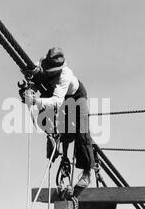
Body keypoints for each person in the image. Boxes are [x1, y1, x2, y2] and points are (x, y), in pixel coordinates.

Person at [22, 47, 95, 188]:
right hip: (54, 92)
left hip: (75, 96)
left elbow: (57, 102)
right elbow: (34, 77)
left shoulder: (65, 75)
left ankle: (86, 174)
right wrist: (30, 90)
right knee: (46, 117)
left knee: (82, 132)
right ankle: (52, 138)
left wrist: (35, 101)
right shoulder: (43, 63)